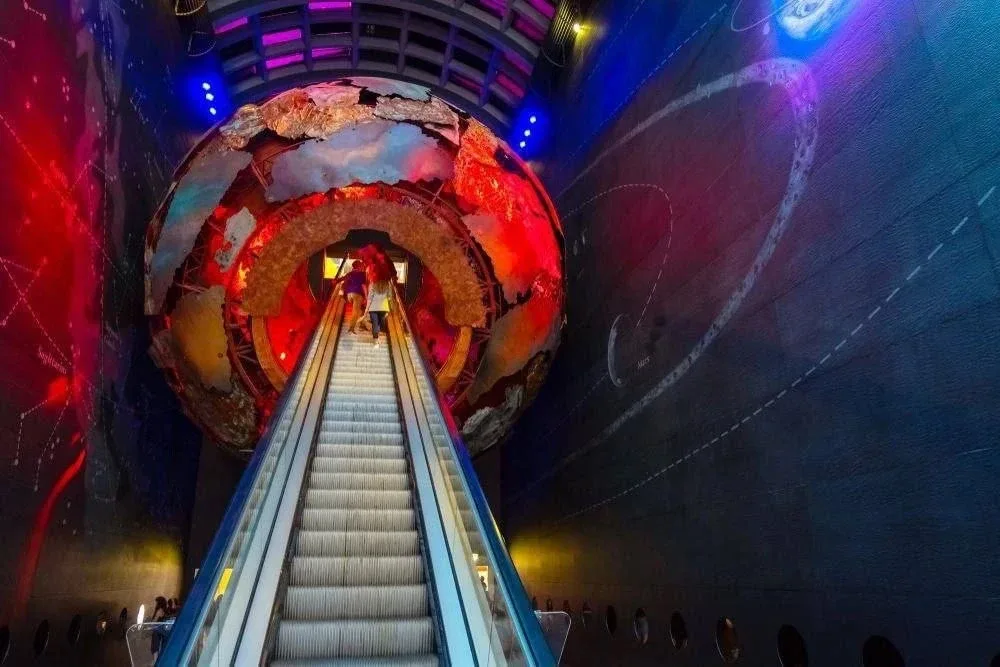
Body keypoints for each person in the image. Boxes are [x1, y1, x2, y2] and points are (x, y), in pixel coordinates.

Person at [364, 271, 393, 345]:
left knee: (375, 324)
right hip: (383, 308)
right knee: (379, 324)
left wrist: (366, 309)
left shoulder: (372, 284)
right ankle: (377, 338)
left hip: (373, 308)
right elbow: (389, 297)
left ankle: (376, 340)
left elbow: (369, 298)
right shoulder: (388, 284)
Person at [340, 260, 367, 333]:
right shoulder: (362, 274)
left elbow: (342, 279)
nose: (363, 267)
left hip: (349, 295)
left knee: (361, 309)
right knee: (356, 311)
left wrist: (336, 281)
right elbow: (363, 286)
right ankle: (351, 328)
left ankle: (362, 325)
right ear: (359, 266)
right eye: (361, 265)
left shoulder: (350, 273)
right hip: (357, 294)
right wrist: (366, 297)